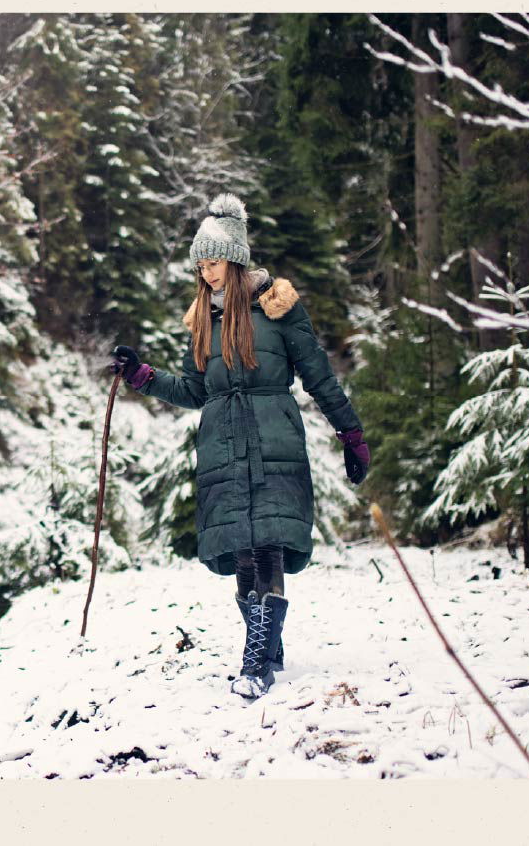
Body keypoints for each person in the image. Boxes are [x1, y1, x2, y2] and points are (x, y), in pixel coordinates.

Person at [109, 193, 371, 701]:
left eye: (212, 261)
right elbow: (193, 390)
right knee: (242, 551)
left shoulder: (280, 310)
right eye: (200, 263)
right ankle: (265, 650)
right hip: (222, 447)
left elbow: (319, 377)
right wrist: (143, 376)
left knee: (267, 544)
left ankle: (256, 661)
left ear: (235, 259)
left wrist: (351, 434)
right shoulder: (201, 320)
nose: (205, 271)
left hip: (274, 438)